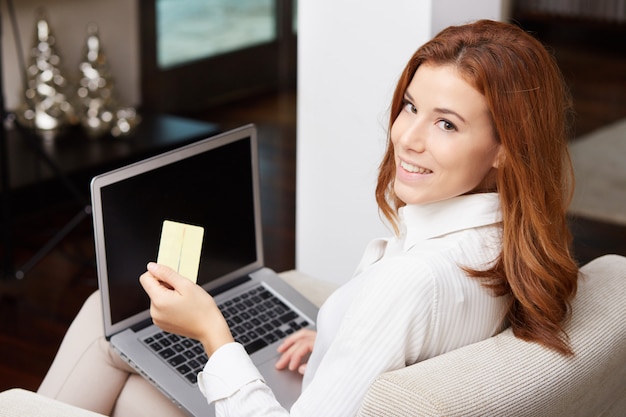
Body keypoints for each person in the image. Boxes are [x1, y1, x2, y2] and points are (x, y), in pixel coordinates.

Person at [38, 19, 579, 416]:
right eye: (411, 107)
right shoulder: (510, 240)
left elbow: (408, 301)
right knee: (131, 389)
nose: (407, 138)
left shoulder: (412, 283)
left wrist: (212, 334)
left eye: (447, 125)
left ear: (506, 148)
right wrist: (347, 341)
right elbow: (426, 340)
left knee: (103, 321)